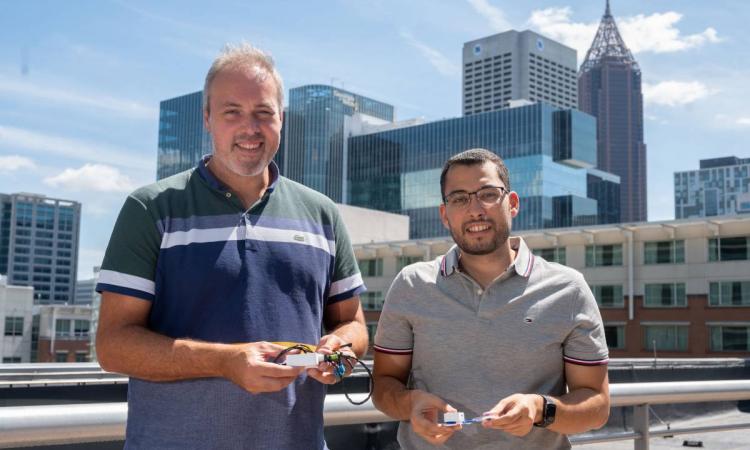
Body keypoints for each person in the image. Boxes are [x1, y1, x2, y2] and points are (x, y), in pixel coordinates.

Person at [95, 43, 368, 449]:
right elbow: (113, 345)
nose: (250, 128)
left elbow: (353, 324)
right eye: (232, 112)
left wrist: (340, 351)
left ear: (282, 120)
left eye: (263, 113)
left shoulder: (321, 214)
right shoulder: (151, 208)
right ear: (207, 118)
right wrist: (224, 362)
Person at [372, 148, 610, 449]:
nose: (475, 210)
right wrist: (410, 404)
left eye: (487, 194)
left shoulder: (569, 289)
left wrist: (540, 409)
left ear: (512, 204)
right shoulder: (411, 285)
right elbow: (383, 385)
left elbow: (598, 407)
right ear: (445, 215)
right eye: (459, 198)